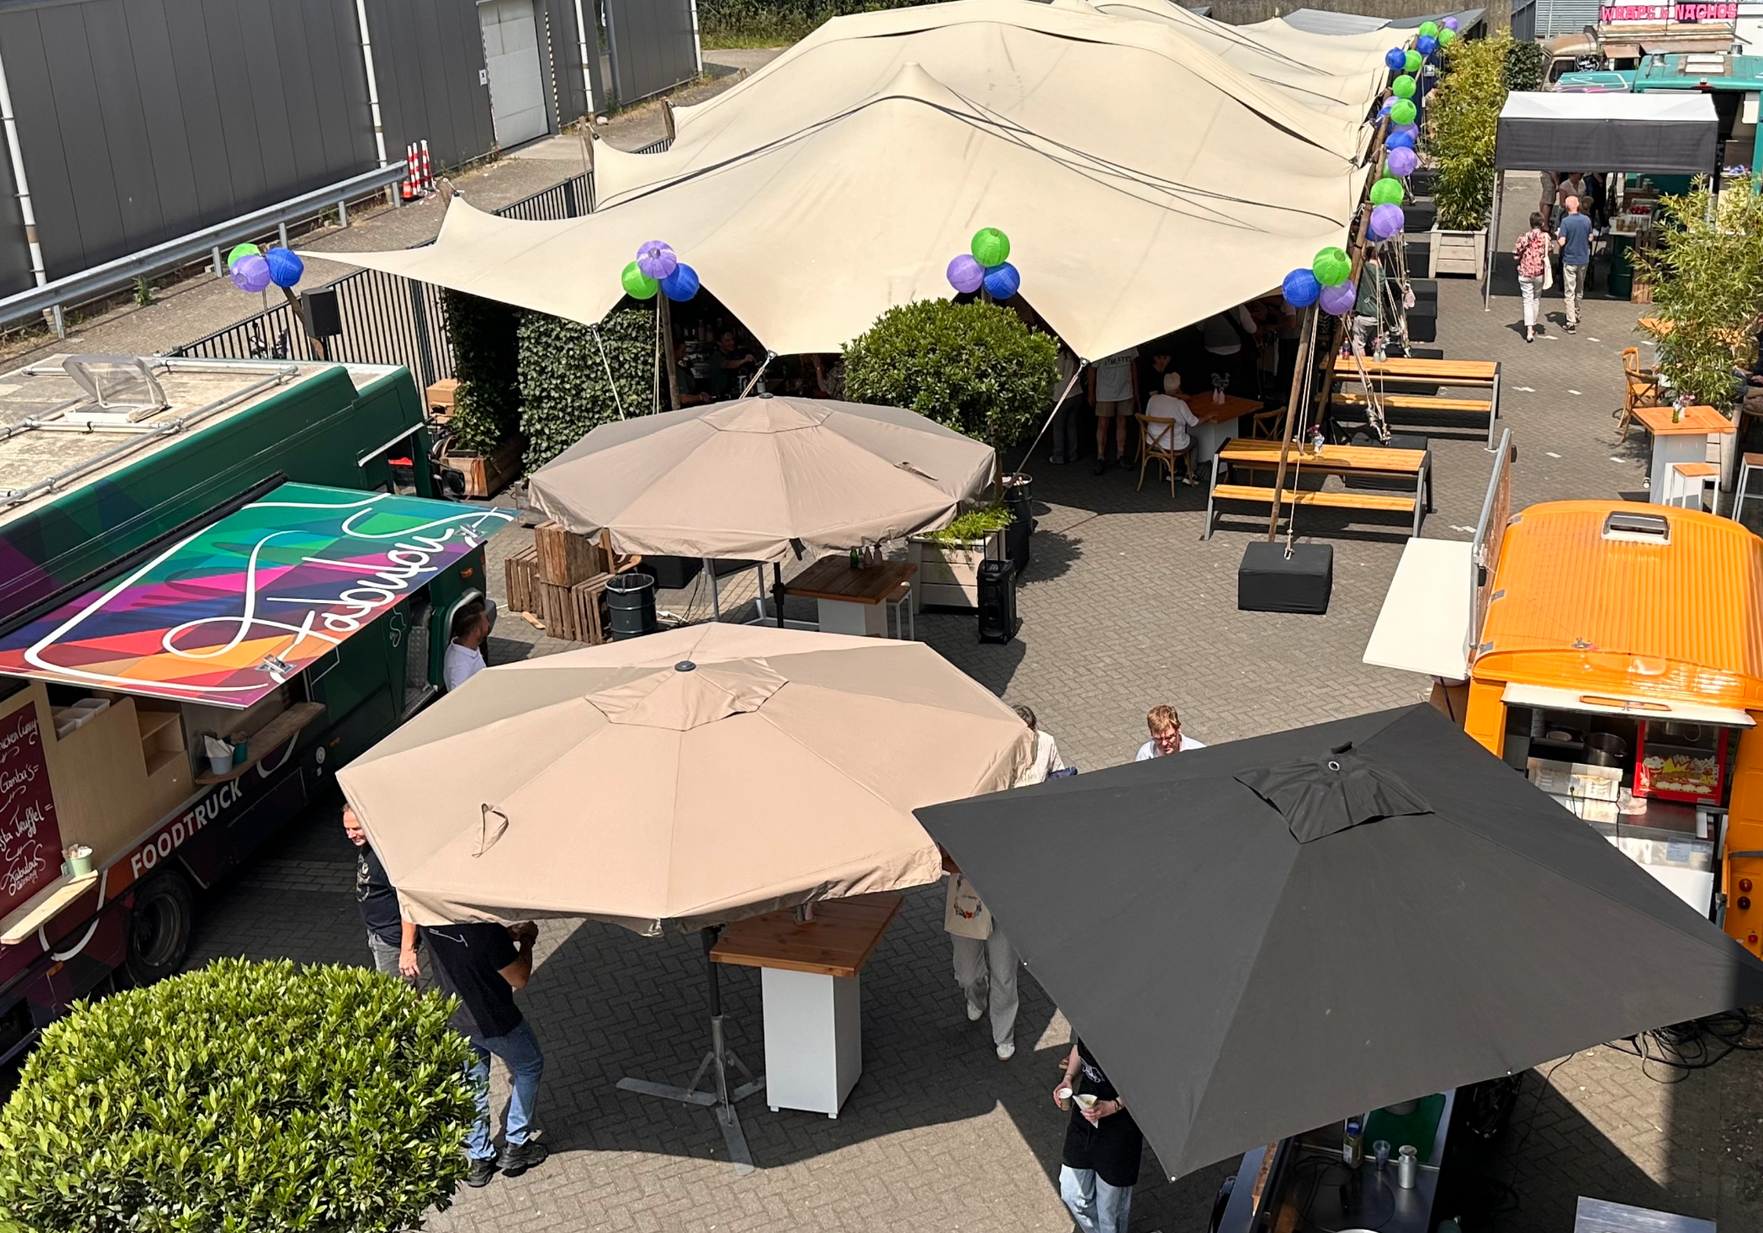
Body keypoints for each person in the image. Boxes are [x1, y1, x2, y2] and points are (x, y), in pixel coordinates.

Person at [942, 705, 1061, 1063]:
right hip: (972, 881)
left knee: (1005, 971)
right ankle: (974, 995)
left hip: (1012, 881)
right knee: (966, 971)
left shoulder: (1046, 746)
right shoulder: (987, 756)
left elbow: (1058, 781)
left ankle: (1003, 1033)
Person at [424, 918, 549, 1187]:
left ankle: (479, 1158)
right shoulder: (487, 933)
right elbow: (520, 977)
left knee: (473, 1084)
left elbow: (462, 948)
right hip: (495, 1020)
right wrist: (526, 940)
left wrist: (507, 936)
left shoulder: (429, 920)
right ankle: (517, 1144)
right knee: (530, 1065)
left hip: (454, 1016)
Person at [1054, 1038, 1143, 1233]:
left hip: (1121, 1128)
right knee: (1072, 1193)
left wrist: (1114, 1105)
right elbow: (1078, 1044)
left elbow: (1147, 1078)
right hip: (1085, 1114)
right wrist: (1068, 1077)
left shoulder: (1138, 1029)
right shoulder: (1090, 1013)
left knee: (1109, 1209)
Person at [343, 806, 419, 983]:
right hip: (378, 933)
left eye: (356, 828)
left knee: (397, 994)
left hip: (391, 940)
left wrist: (407, 950)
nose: (351, 835)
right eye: (347, 829)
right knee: (404, 993)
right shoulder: (369, 846)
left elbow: (408, 904)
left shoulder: (387, 861)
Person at [1142, 372, 1200, 484]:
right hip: (1173, 445)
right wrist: (1208, 416)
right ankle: (1190, 474)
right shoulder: (1180, 404)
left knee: (1177, 436)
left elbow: (1147, 417)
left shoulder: (1153, 399)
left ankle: (1173, 471)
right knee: (1193, 441)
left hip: (1153, 443)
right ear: (1178, 388)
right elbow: (1194, 423)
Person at [1089, 347, 1139, 474]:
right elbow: (1092, 370)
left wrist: (1135, 390)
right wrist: (1091, 393)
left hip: (1125, 391)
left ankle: (1120, 455)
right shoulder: (1101, 345)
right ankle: (1100, 456)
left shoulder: (1130, 343)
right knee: (1103, 424)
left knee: (1122, 423)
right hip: (1105, 393)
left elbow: (1133, 367)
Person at [1201, 306, 1257, 402]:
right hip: (1234, 352)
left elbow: (1200, 327)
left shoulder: (1206, 307)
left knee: (1212, 386)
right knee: (1234, 388)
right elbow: (1252, 329)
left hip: (1212, 352)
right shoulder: (1239, 307)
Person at [1556, 195, 1593, 334]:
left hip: (1570, 260)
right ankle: (1576, 314)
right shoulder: (1586, 220)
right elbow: (1590, 237)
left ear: (1566, 207)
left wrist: (1558, 235)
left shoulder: (1565, 222)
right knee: (1579, 289)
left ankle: (1570, 322)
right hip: (1583, 259)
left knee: (1569, 291)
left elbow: (1562, 242)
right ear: (1578, 205)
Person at [1514, 212, 1552, 344]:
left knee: (1527, 300)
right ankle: (1533, 325)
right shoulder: (1546, 238)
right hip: (1539, 272)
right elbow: (1550, 251)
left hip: (1525, 272)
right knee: (1536, 299)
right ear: (1542, 223)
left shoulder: (1523, 237)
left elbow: (1516, 254)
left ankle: (1529, 329)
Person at [1049, 344, 1085, 465]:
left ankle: (1059, 455)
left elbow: (1054, 378)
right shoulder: (1075, 357)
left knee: (1058, 427)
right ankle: (1073, 454)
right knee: (1071, 425)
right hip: (1076, 393)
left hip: (1062, 396)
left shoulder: (1059, 358)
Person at [444, 601, 490, 692]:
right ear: (476, 631)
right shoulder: (460, 668)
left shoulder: (466, 645)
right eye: (485, 622)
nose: (488, 624)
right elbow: (457, 700)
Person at [1134, 704, 1205, 760]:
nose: (1164, 743)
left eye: (1169, 737)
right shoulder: (1145, 755)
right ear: (1151, 733)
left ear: (1178, 729)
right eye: (1158, 739)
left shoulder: (1199, 751)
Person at [1352, 252, 1386, 354]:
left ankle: (1361, 366)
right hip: (1377, 316)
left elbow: (1356, 255)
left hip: (1365, 316)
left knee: (1359, 344)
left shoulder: (1368, 268)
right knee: (1375, 344)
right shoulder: (1381, 272)